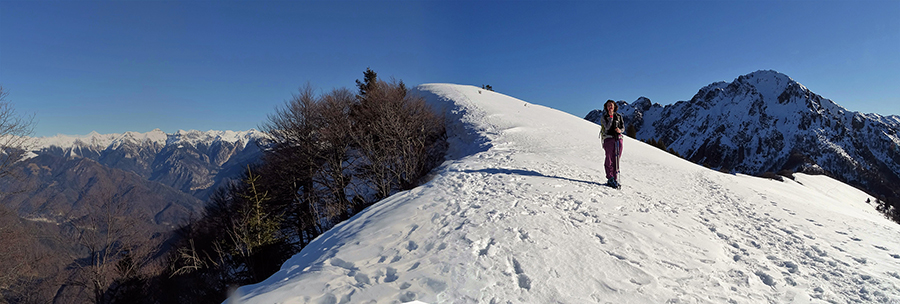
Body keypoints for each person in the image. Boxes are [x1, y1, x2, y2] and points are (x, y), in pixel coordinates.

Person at [599, 100, 624, 188]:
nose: (610, 107)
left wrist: (620, 131)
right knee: (609, 158)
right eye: (608, 105)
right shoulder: (604, 117)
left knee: (616, 158)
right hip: (608, 138)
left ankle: (615, 177)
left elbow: (623, 127)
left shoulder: (619, 116)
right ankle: (610, 178)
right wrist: (610, 117)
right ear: (606, 107)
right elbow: (607, 127)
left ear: (614, 106)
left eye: (612, 105)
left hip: (618, 138)